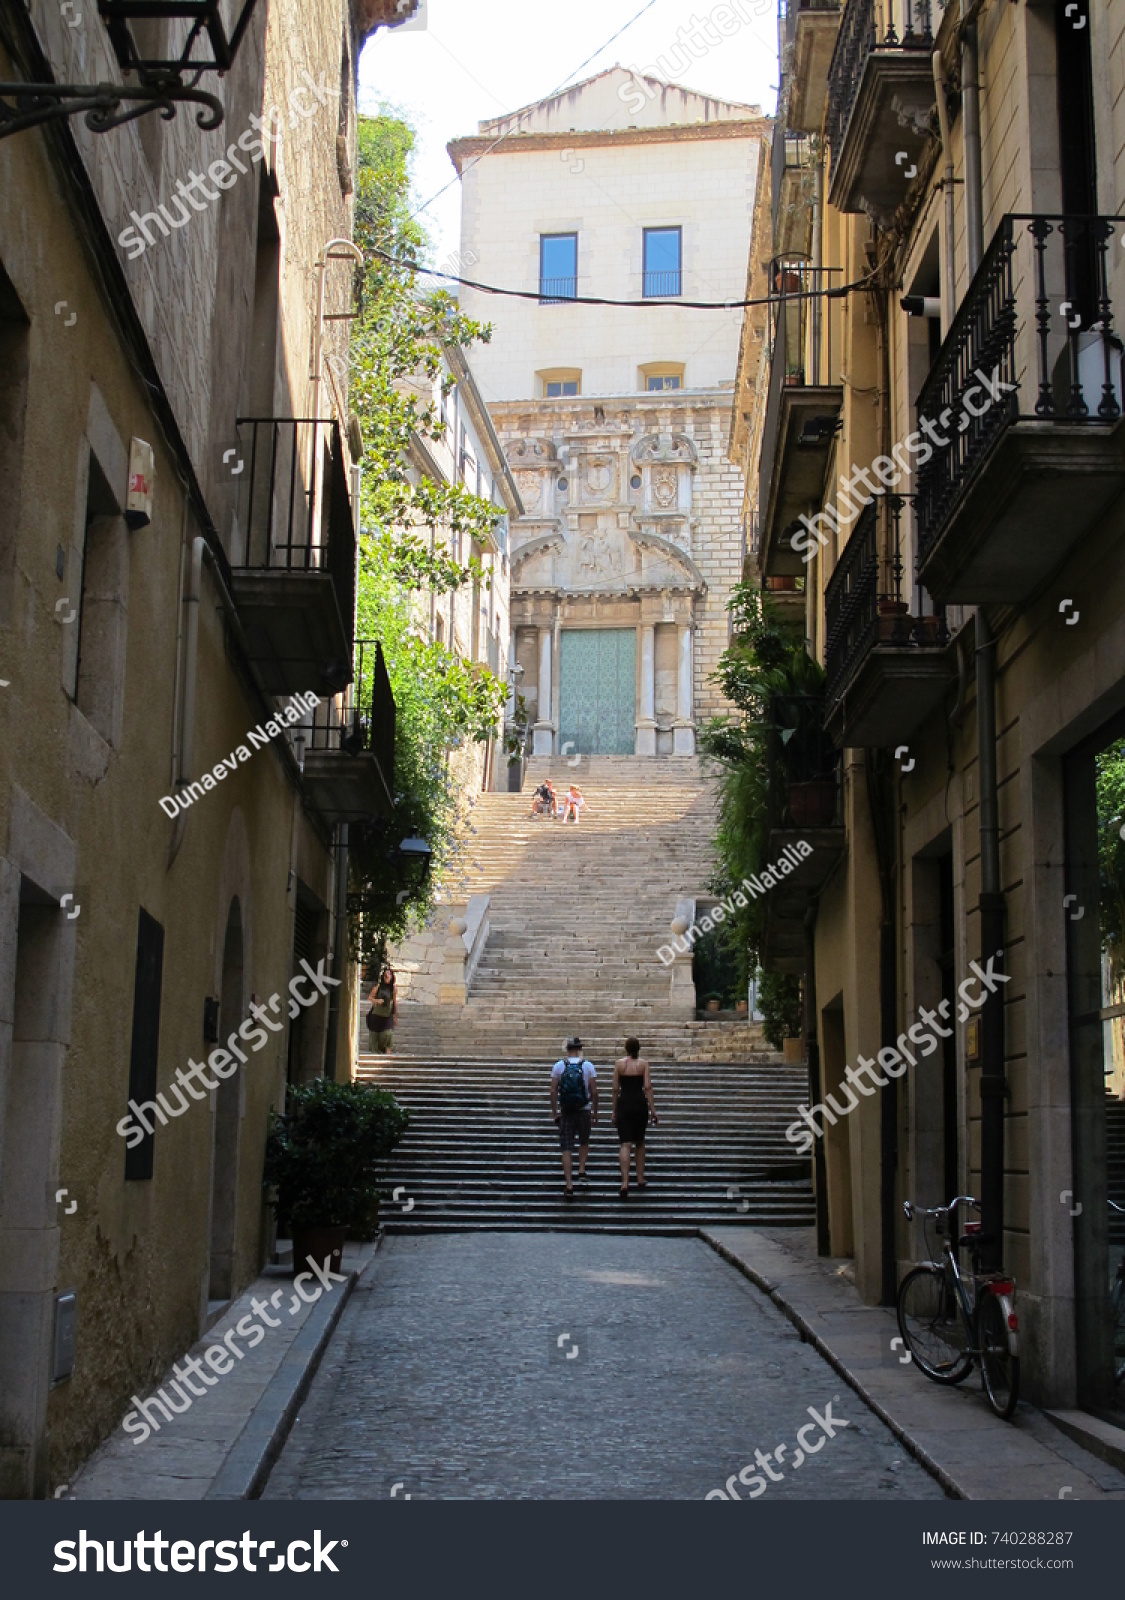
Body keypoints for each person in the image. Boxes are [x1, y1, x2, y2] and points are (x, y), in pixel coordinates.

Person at [550, 1035, 598, 1196]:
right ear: (579, 1049)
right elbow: (594, 1091)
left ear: (567, 1049)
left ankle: (569, 1184)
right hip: (584, 1109)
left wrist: (555, 1112)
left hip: (566, 1110)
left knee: (566, 1147)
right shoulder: (588, 1066)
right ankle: (582, 1169)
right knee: (584, 1141)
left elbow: (553, 1090)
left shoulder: (558, 1066)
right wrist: (595, 1111)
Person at [612, 1037, 658, 1197]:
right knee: (639, 1142)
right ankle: (640, 1177)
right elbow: (647, 1086)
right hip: (639, 1103)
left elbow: (615, 1089)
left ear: (626, 1048)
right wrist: (653, 1110)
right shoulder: (643, 1064)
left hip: (624, 1103)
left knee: (625, 1144)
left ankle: (625, 1182)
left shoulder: (619, 1064)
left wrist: (614, 1110)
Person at [365, 965, 397, 1054]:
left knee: (388, 1035)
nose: (387, 976)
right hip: (376, 1015)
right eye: (386, 974)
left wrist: (395, 1016)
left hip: (387, 1016)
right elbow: (370, 998)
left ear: (392, 977)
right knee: (374, 1037)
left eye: (389, 974)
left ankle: (387, 1058)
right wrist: (377, 1000)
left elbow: (394, 1002)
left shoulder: (393, 989)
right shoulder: (378, 987)